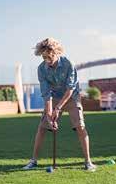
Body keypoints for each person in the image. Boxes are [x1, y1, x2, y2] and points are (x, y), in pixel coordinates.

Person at [23, 38, 97, 171]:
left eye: (49, 57)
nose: (47, 60)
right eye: (44, 57)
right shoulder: (41, 69)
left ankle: (88, 162)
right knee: (42, 127)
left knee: (80, 126)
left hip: (71, 98)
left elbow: (70, 89)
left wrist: (58, 108)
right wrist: (50, 113)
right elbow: (46, 94)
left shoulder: (68, 64)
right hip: (55, 98)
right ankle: (33, 161)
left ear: (56, 52)